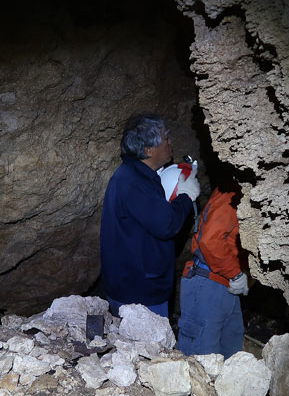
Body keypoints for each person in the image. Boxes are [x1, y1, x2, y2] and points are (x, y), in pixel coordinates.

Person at [100, 114, 200, 318]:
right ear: (148, 150)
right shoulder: (135, 183)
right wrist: (186, 196)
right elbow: (167, 225)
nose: (170, 142)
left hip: (131, 285)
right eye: (166, 138)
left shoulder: (133, 175)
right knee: (147, 349)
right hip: (140, 294)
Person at [177, 182, 249, 359]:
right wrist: (235, 273)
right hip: (207, 284)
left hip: (228, 286)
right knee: (200, 361)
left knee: (232, 357)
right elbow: (209, 240)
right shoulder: (232, 194)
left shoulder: (246, 197)